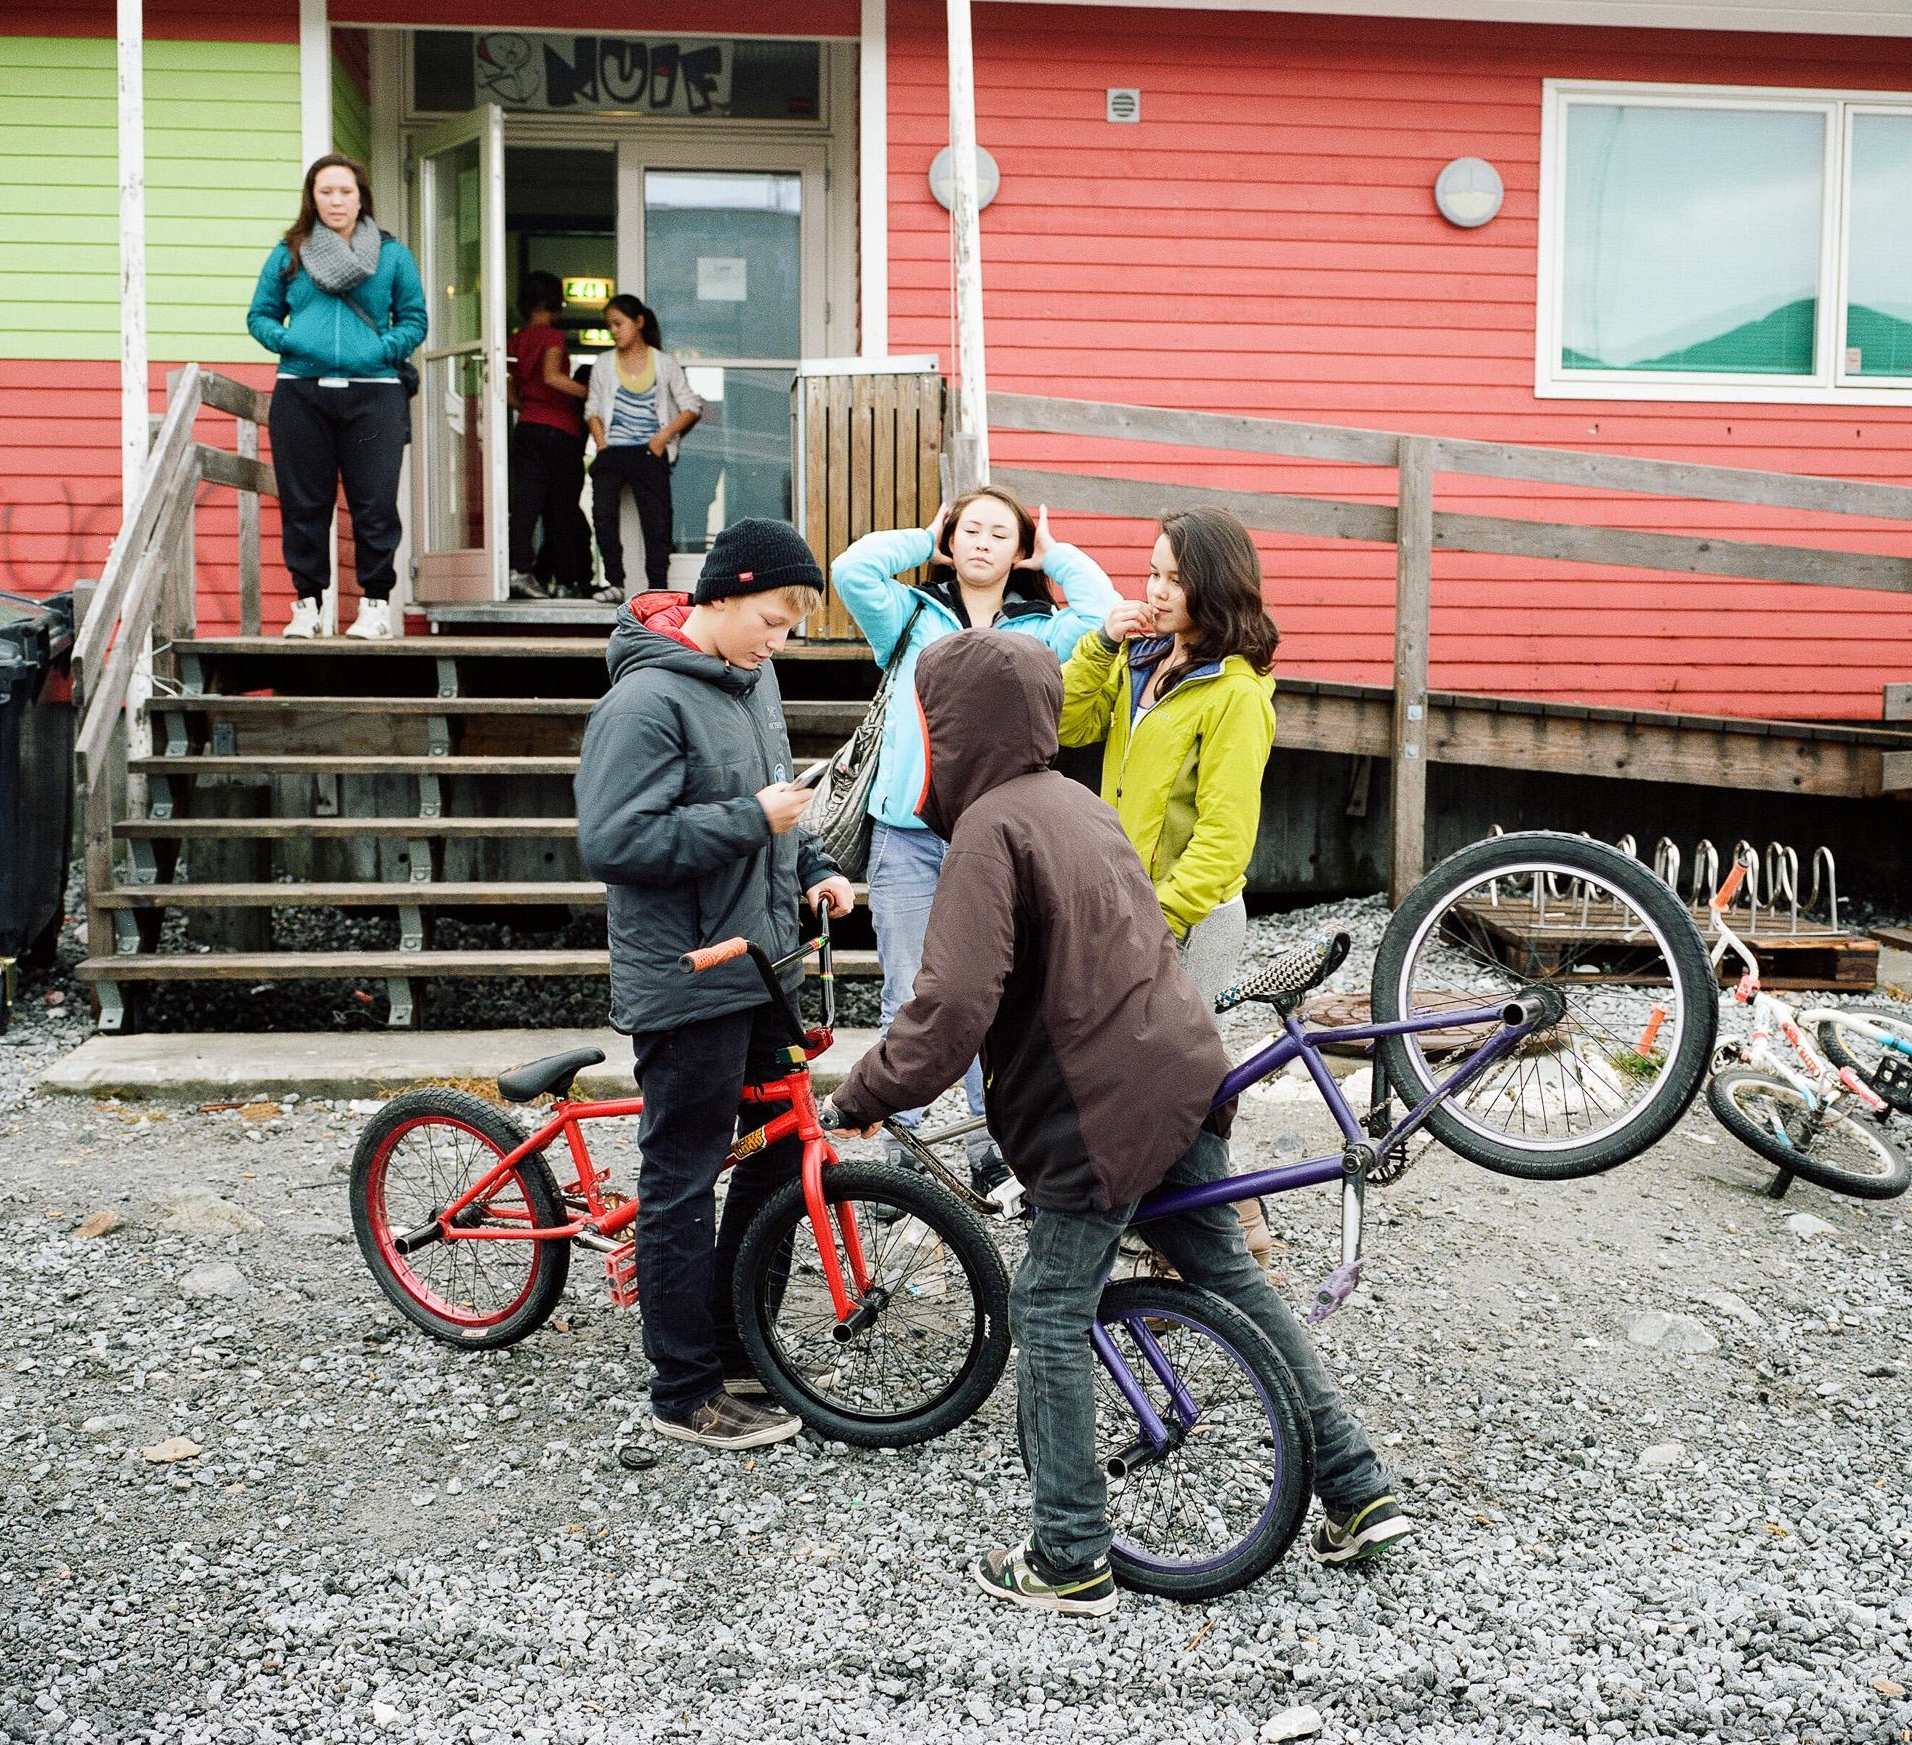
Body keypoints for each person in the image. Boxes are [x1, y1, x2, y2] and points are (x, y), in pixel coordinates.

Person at [827, 630, 1409, 1616]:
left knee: (1048, 1308)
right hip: (1180, 1075)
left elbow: (951, 1008)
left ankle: (1068, 1554)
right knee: (1227, 1274)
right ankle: (1356, 1486)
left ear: (954, 726)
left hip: (1097, 1111)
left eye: (927, 718)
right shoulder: (1076, 805)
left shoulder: (986, 831)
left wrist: (861, 1091)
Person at [574, 517, 856, 1451]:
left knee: (775, 1156)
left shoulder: (753, 677)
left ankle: (743, 1348)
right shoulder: (645, 702)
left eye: (789, 627)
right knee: (683, 1177)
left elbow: (780, 799)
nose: (780, 641)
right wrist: (749, 819)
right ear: (723, 594)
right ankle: (684, 1388)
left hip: (761, 965)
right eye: (772, 620)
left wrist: (812, 860)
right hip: (686, 977)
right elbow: (613, 844)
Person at [829, 487, 1113, 1193]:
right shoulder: (907, 615)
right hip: (908, 830)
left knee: (996, 991)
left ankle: (994, 1149)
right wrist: (921, 541)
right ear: (952, 541)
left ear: (1018, 551)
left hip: (999, 838)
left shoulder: (1043, 629)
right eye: (970, 530)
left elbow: (1105, 615)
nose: (983, 542)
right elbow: (852, 570)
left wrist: (1058, 557)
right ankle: (906, 1152)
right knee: (909, 991)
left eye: (1001, 534)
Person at [1059, 504, 1282, 1262]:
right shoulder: (1140, 655)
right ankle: (1211, 1230)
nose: (1153, 589)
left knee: (1169, 1081)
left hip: (1193, 917)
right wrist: (1099, 643)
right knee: (1153, 1078)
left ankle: (1207, 1237)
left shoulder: (1238, 692)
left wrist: (1161, 918)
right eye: (1150, 571)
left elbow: (1225, 840)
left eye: (1172, 579)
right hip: (1127, 907)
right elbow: (1064, 725)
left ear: (1214, 588)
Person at [246, 153, 427, 641]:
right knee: (305, 503)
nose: (336, 200)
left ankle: (373, 606)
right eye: (325, 191)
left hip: (375, 395)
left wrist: (382, 349)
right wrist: (293, 343)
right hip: (301, 393)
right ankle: (307, 606)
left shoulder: (391, 254)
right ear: (313, 197)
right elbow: (260, 316)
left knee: (374, 505)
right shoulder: (290, 252)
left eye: (345, 191)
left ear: (360, 194)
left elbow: (414, 318)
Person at [584, 294, 703, 601]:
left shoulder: (663, 363)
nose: (613, 330)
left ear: (638, 322)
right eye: (609, 325)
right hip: (613, 452)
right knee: (603, 515)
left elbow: (691, 406)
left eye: (618, 323)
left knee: (657, 521)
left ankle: (657, 591)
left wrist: (662, 438)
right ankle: (615, 584)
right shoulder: (603, 363)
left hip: (650, 453)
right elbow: (592, 409)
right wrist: (602, 445)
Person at [506, 271, 591, 600]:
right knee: (561, 506)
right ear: (554, 302)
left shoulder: (515, 339)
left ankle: (519, 571)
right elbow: (553, 376)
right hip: (559, 430)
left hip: (527, 427)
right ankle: (563, 579)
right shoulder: (552, 337)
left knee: (526, 504)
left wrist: (532, 404)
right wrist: (592, 392)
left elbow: (513, 397)